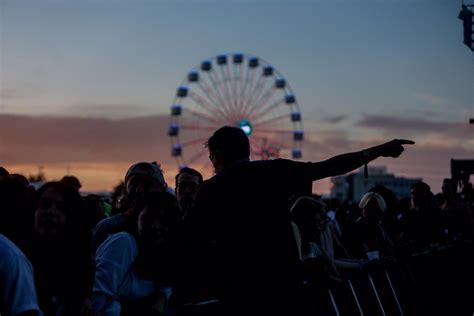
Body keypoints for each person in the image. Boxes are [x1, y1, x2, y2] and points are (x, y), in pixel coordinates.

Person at [180, 126, 414, 315]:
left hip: (239, 291)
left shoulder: (212, 190)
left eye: (212, 159)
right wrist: (376, 151)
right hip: (284, 284)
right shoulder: (273, 171)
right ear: (246, 150)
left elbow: (190, 242)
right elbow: (330, 166)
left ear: (218, 157)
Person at [91, 191, 180, 315]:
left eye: (163, 219)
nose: (155, 226)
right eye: (148, 218)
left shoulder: (165, 254)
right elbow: (96, 301)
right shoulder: (123, 243)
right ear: (137, 219)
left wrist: (161, 299)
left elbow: (166, 288)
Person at [92, 161, 168, 251]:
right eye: (133, 184)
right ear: (125, 190)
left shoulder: (171, 224)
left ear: (162, 189)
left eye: (147, 184)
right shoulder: (107, 227)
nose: (139, 189)